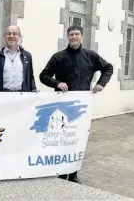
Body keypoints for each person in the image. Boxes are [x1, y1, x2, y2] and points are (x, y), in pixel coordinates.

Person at [39, 24, 114, 184]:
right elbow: (43, 75)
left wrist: (101, 83)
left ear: (82, 37)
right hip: (62, 105)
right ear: (68, 37)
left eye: (77, 34)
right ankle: (60, 172)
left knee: (77, 139)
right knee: (61, 138)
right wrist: (57, 83)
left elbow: (108, 68)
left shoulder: (91, 56)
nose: (74, 37)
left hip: (82, 107)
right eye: (71, 34)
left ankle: (73, 173)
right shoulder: (58, 57)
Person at [0, 25, 38, 92]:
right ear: (4, 36)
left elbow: (30, 76)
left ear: (19, 36)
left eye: (14, 34)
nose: (11, 36)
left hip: (22, 96)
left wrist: (33, 88)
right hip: (2, 97)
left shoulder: (27, 56)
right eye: (8, 33)